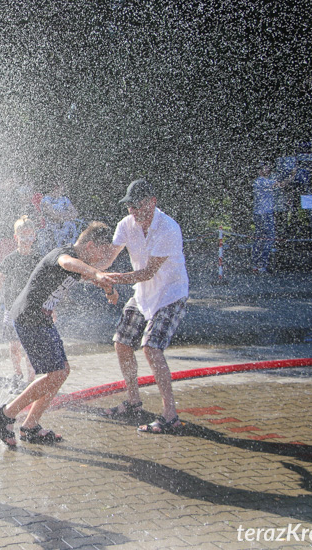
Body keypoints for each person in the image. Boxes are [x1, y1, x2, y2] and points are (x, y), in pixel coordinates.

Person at [0, 222, 118, 447]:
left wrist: (108, 286)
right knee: (56, 373)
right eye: (102, 251)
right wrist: (97, 273)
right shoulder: (64, 255)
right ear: (90, 245)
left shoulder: (81, 265)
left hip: (42, 320)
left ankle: (30, 425)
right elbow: (67, 263)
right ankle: (6, 413)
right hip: (29, 318)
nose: (103, 257)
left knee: (62, 371)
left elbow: (90, 276)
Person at [95, 179, 189, 434]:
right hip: (143, 293)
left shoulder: (168, 228)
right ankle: (134, 401)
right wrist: (87, 269)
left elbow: (148, 272)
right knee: (122, 342)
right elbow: (106, 259)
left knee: (151, 348)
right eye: (129, 207)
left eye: (137, 206)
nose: (133, 212)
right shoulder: (126, 225)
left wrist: (113, 279)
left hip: (170, 293)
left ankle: (170, 415)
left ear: (152, 202)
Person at [0, 216, 42, 384]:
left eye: (29, 236)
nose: (26, 240)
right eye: (23, 236)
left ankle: (31, 380)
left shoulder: (38, 260)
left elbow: (44, 286)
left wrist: (51, 308)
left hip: (32, 309)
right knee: (14, 345)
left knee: (30, 347)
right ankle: (17, 374)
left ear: (34, 236)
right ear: (16, 237)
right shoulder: (10, 259)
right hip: (11, 309)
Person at [252, 161, 297, 273]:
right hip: (265, 214)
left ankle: (256, 264)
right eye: (265, 168)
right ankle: (262, 265)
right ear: (260, 170)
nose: (268, 170)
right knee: (268, 238)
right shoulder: (261, 181)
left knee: (260, 238)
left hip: (261, 213)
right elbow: (281, 184)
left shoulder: (262, 182)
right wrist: (292, 175)